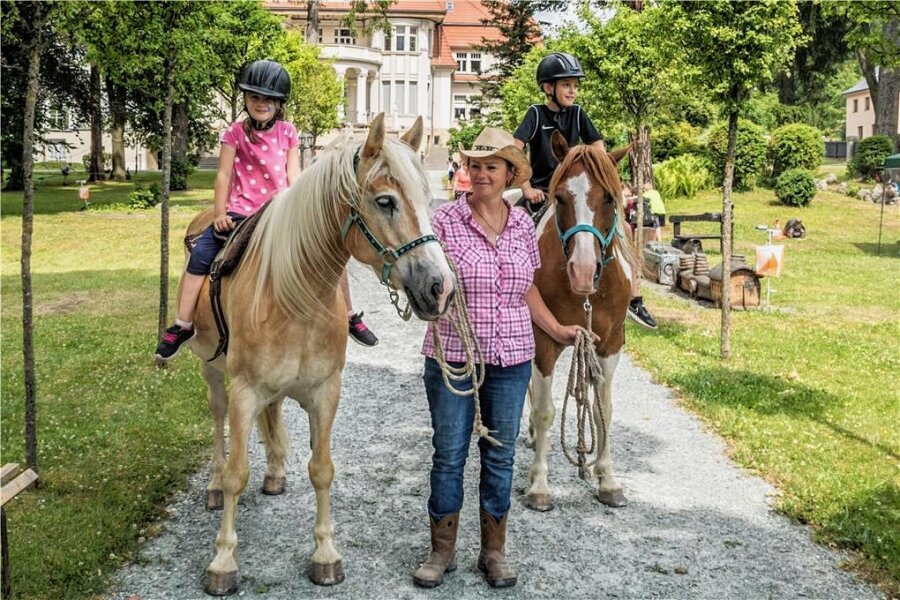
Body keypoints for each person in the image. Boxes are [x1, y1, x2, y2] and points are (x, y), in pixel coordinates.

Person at [414, 128, 592, 589]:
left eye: (491, 166)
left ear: (510, 173)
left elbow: (526, 286)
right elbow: (429, 276)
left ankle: (493, 552)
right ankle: (442, 551)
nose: (480, 174)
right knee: (449, 454)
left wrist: (555, 328)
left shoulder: (520, 225)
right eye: (474, 165)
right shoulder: (445, 220)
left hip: (512, 356)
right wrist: (436, 294)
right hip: (454, 354)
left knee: (500, 456)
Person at [155, 60, 376, 360]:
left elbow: (293, 175)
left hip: (280, 212)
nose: (261, 103)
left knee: (330, 252)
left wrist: (300, 210)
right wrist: (220, 213)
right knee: (201, 253)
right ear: (245, 99)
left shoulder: (288, 133)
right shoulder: (234, 133)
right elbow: (223, 175)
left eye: (268, 99)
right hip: (241, 214)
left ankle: (348, 314)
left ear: (279, 103)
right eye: (255, 97)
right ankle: (183, 324)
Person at [512, 51, 657, 330]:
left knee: (624, 229)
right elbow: (515, 151)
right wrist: (526, 188)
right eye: (567, 85)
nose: (573, 91)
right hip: (541, 191)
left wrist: (603, 178)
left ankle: (635, 297)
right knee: (510, 228)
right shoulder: (534, 114)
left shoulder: (578, 114)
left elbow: (600, 149)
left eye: (576, 86)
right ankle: (510, 292)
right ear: (548, 87)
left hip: (577, 189)